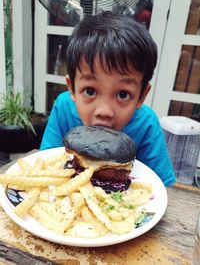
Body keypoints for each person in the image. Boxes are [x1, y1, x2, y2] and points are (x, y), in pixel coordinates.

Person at [40, 11, 176, 187]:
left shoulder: (147, 123)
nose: (104, 111)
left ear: (142, 95)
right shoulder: (64, 108)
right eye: (90, 91)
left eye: (123, 94)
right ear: (72, 87)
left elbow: (160, 187)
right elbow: (46, 165)